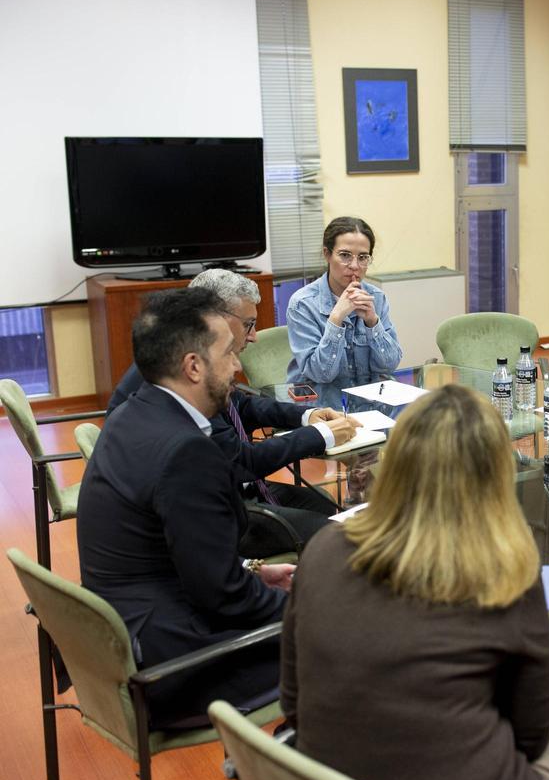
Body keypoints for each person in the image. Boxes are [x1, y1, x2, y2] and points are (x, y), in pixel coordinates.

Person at [281, 385, 549, 780]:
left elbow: (294, 706)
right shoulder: (505, 572)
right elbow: (531, 737)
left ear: (396, 464)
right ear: (497, 476)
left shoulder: (323, 549)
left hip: (327, 778)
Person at [77, 288, 292, 725]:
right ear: (193, 366)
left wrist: (252, 570)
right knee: (345, 637)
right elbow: (224, 599)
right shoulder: (186, 453)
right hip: (174, 666)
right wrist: (316, 606)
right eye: (229, 352)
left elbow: (174, 550)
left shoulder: (131, 414)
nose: (237, 366)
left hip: (126, 636)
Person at [107, 268, 358, 556]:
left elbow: (241, 404)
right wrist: (320, 435)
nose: (253, 338)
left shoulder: (189, 354)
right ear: (215, 318)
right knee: (337, 535)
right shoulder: (177, 378)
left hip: (230, 493)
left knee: (327, 509)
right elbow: (240, 462)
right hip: (215, 515)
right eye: (249, 324)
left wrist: (305, 416)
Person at [286, 216, 403, 407]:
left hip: (368, 405)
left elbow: (389, 365)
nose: (355, 266)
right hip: (322, 408)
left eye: (363, 257)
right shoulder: (303, 303)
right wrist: (336, 319)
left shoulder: (376, 297)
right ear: (327, 254)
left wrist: (372, 322)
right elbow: (320, 373)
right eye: (345, 255)